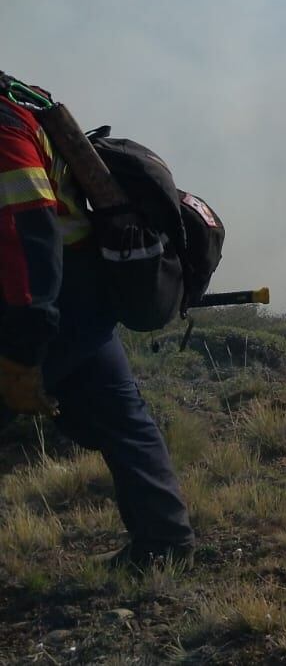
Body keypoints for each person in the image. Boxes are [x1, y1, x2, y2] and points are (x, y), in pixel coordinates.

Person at [0, 93, 195, 569]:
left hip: (43, 297)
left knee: (118, 417)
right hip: (82, 291)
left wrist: (24, 352)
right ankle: (165, 543)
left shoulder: (4, 125)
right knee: (122, 419)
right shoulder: (22, 98)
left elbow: (29, 234)